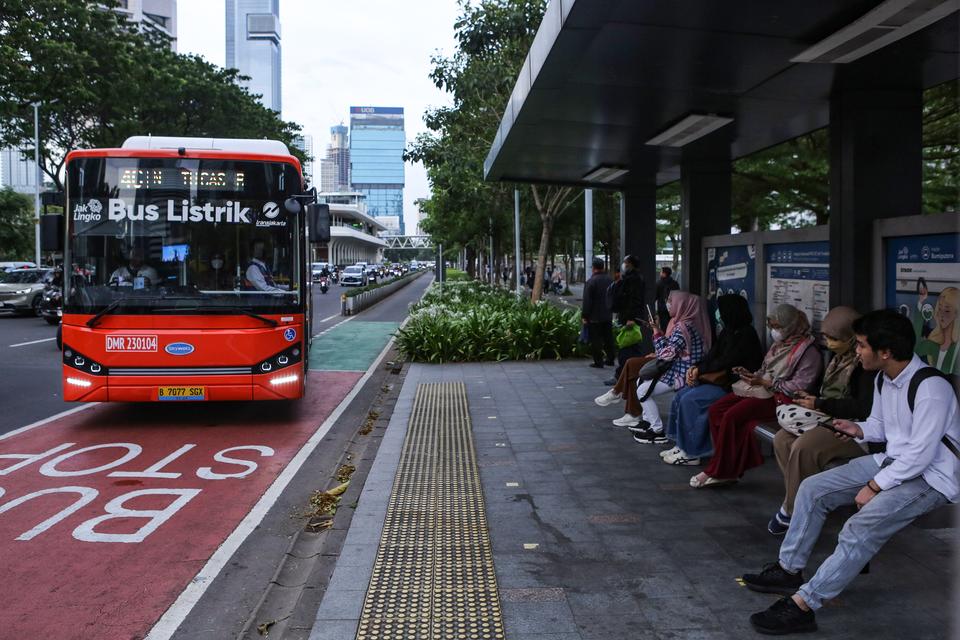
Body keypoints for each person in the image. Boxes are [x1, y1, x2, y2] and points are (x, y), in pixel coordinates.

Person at [741, 309, 959, 635]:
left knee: (859, 528)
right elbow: (883, 428)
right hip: (894, 462)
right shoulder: (886, 378)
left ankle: (804, 605)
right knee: (813, 489)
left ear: (885, 352)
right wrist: (858, 429)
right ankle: (789, 570)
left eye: (860, 345)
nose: (856, 351)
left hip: (932, 477)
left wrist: (874, 486)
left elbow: (921, 453)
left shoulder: (930, 388)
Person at [690, 304, 822, 488]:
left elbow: (799, 387)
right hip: (762, 391)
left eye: (778, 327)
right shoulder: (779, 345)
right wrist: (752, 375)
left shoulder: (808, 352)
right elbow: (765, 369)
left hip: (781, 398)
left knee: (731, 416)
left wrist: (768, 383)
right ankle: (729, 463)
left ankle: (720, 470)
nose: (775, 332)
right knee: (716, 410)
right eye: (773, 327)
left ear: (791, 326)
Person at [768, 306, 872, 535]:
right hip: (829, 418)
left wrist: (820, 404)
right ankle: (801, 498)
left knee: (804, 446)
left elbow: (863, 407)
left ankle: (793, 509)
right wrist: (812, 400)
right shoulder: (838, 359)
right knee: (782, 439)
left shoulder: (865, 366)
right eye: (826, 337)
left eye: (835, 338)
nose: (829, 342)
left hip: (855, 428)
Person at [660, 294, 764, 466]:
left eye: (721, 310)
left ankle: (693, 452)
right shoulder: (728, 331)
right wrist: (696, 368)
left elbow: (727, 360)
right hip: (718, 380)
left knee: (690, 401)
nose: (718, 314)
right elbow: (713, 355)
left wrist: (699, 370)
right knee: (680, 396)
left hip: (732, 385)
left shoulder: (746, 334)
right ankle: (681, 443)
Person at [630, 290, 712, 443]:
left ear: (682, 305)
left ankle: (657, 430)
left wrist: (655, 332)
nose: (668, 304)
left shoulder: (683, 328)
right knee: (640, 384)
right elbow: (671, 348)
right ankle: (648, 422)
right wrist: (658, 330)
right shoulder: (687, 324)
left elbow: (666, 354)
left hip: (681, 375)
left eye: (671, 300)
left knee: (642, 391)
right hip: (678, 370)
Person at [608, 255, 649, 381]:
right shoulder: (630, 278)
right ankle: (628, 373)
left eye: (625, 262)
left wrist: (630, 318)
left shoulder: (634, 279)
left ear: (630, 264)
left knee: (627, 347)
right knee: (631, 347)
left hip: (630, 319)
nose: (623, 265)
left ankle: (622, 375)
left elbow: (633, 300)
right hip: (628, 317)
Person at [914, 285, 958, 373]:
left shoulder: (957, 347)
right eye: (940, 308)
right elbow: (914, 349)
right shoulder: (933, 342)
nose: (941, 314)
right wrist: (921, 302)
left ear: (956, 313)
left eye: (947, 310)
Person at [582, 258, 615, 368]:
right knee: (608, 338)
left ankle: (598, 361)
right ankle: (610, 359)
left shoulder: (591, 282)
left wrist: (585, 315)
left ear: (593, 268)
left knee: (596, 340)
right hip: (607, 315)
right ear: (603, 267)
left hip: (594, 316)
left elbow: (587, 300)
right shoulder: (610, 280)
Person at [655, 267, 680, 333]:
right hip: (673, 308)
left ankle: (665, 339)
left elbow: (655, 296)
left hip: (662, 309)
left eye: (661, 272)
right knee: (672, 325)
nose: (660, 273)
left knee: (664, 326)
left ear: (664, 273)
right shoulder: (675, 283)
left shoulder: (658, 283)